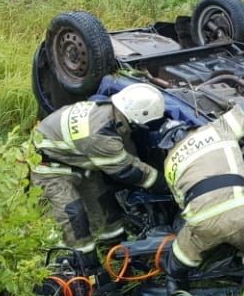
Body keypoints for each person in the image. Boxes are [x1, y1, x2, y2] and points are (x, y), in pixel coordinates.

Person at [156, 98, 244, 296]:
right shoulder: (218, 129)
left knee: (182, 253)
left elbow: (182, 203)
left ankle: (176, 291)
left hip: (204, 220)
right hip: (243, 212)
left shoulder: (169, 164)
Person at [30, 83, 165, 266]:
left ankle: (115, 249)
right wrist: (163, 183)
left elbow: (128, 152)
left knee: (105, 208)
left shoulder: (112, 112)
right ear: (136, 117)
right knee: (74, 215)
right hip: (50, 167)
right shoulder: (101, 134)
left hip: (77, 161)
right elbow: (127, 170)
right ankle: (83, 261)